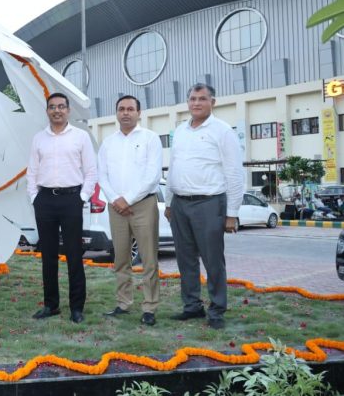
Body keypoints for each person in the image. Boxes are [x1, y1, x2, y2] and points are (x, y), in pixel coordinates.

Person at [164, 84, 244, 330]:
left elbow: (234, 172)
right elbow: (173, 166)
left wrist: (232, 213)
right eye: (192, 99)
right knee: (185, 259)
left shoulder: (222, 131)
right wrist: (169, 202)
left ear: (213, 102)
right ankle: (192, 306)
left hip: (209, 203)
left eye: (202, 99)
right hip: (180, 203)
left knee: (212, 260)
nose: (196, 103)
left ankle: (217, 310)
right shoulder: (180, 131)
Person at [27, 92, 97, 324]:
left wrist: (82, 197)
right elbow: (32, 172)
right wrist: (34, 198)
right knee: (48, 256)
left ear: (68, 110)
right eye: (52, 107)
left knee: (74, 255)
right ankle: (51, 305)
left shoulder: (80, 137)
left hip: (71, 200)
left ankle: (76, 307)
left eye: (61, 106)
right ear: (47, 110)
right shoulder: (39, 138)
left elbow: (91, 171)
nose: (56, 110)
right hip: (45, 200)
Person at [98, 95, 162, 326]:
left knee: (148, 258)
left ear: (139, 113)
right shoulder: (108, 143)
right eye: (121, 109)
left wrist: (128, 199)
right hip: (116, 206)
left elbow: (152, 175)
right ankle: (123, 302)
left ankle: (150, 306)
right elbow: (102, 175)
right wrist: (116, 199)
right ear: (116, 113)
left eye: (130, 109)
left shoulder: (150, 138)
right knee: (121, 257)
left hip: (143, 204)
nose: (125, 113)